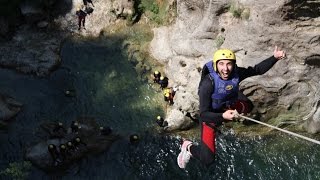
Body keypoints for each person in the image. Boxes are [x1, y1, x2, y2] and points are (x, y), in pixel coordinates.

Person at [177, 46, 286, 169]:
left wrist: (274, 58)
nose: (225, 69)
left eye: (229, 64)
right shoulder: (208, 84)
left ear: (233, 65)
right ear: (216, 65)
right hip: (211, 116)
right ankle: (187, 146)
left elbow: (256, 70)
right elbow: (203, 114)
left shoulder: (236, 73)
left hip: (227, 104)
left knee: (248, 106)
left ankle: (227, 114)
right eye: (221, 64)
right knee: (207, 159)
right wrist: (222, 116)